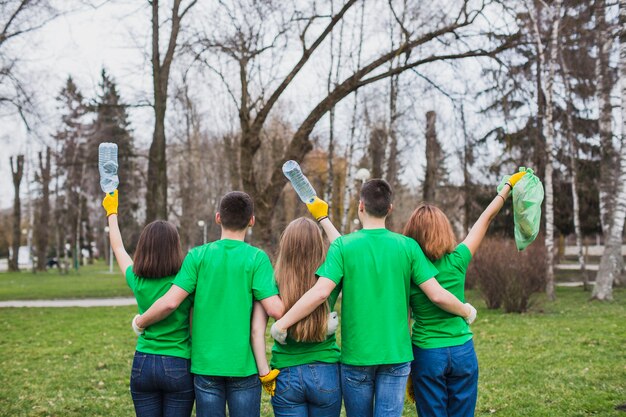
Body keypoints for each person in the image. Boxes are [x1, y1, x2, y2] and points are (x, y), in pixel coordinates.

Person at [271, 179, 476, 417]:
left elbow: (321, 292)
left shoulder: (343, 247)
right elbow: (436, 294)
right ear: (390, 208)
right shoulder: (408, 247)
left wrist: (282, 323)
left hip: (357, 357)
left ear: (360, 206)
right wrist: (466, 310)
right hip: (396, 355)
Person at [133, 191, 285, 417]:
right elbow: (275, 310)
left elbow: (171, 301)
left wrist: (140, 322)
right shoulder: (257, 258)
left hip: (205, 366)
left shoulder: (196, 256)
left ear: (217, 218)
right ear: (251, 220)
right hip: (243, 366)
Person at [403, 170, 527, 417]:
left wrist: (407, 365)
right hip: (463, 351)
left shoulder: (408, 269)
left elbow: (404, 319)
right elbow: (486, 218)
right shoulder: (458, 259)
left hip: (427, 354)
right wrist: (507, 187)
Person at [102, 190, 194, 417]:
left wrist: (111, 212)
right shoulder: (185, 281)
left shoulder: (137, 278)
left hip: (143, 362)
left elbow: (118, 248)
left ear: (144, 246)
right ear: (175, 247)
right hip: (178, 362)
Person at [252, 207, 342, 417]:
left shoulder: (272, 280)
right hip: (326, 370)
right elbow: (343, 247)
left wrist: (264, 373)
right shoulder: (328, 276)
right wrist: (323, 218)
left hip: (286, 373)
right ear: (319, 246)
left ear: (285, 246)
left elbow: (257, 331)